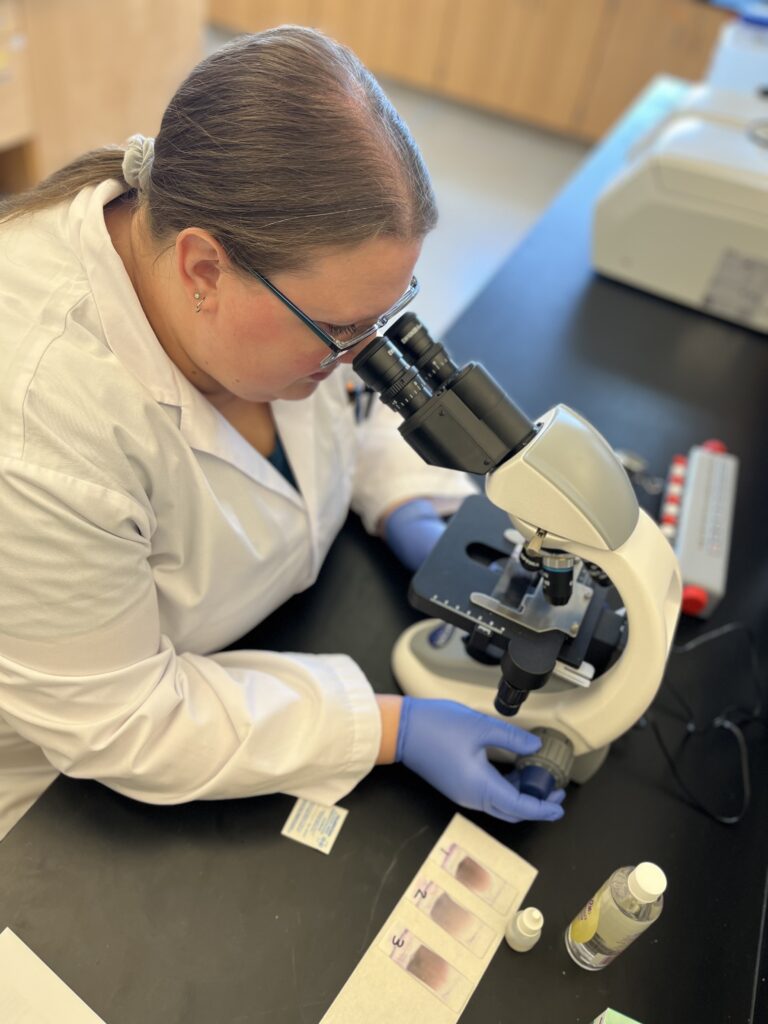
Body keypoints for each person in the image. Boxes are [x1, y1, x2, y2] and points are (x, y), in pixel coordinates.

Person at [0, 26, 564, 841]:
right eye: (342, 329)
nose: (363, 354)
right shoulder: (39, 434)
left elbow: (341, 394)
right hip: (66, 806)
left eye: (387, 313)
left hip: (274, 626)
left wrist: (410, 506)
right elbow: (126, 720)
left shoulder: (246, 256)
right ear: (203, 271)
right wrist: (386, 730)